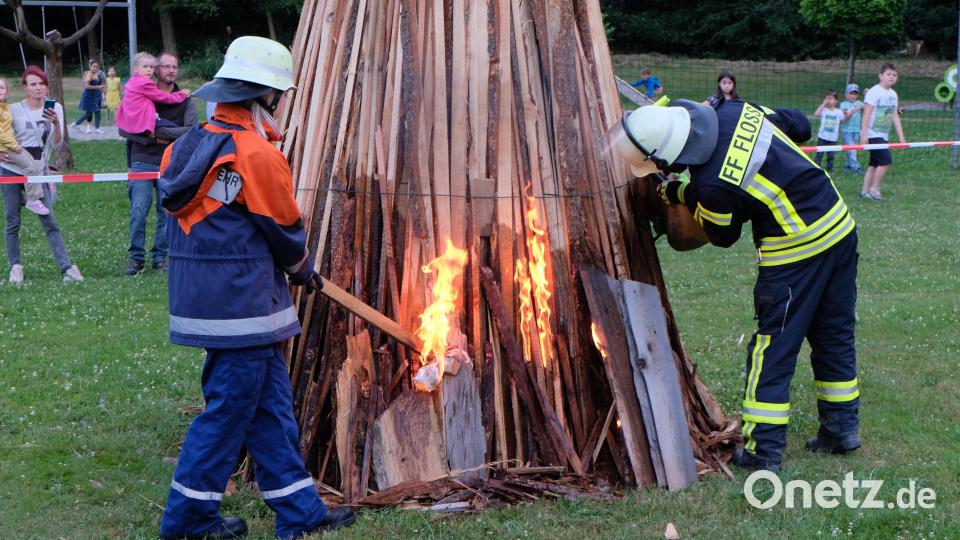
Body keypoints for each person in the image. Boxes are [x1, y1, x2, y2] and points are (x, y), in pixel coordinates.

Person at [156, 36, 356, 540]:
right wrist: (303, 269)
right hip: (242, 305)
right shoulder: (255, 153)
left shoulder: (184, 146)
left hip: (212, 300)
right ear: (267, 95)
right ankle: (188, 522)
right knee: (227, 414)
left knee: (269, 410)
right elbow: (283, 228)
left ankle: (301, 512)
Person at [619, 97, 860, 472]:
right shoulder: (733, 111)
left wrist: (681, 194)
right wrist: (690, 190)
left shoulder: (713, 185)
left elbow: (722, 234)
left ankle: (764, 449)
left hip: (795, 251)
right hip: (838, 225)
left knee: (773, 347)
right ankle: (841, 430)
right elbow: (798, 124)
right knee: (833, 333)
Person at [0, 66, 83, 284]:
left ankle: (67, 267)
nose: (38, 88)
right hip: (11, 170)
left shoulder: (55, 108)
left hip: (38, 172)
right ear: (25, 87)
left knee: (50, 221)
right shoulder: (13, 109)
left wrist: (55, 123)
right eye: (33, 84)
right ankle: (15, 267)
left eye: (42, 83)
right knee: (12, 221)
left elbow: (57, 144)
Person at [119, 52, 196, 276]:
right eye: (165, 66)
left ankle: (160, 257)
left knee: (167, 212)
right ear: (156, 70)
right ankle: (136, 259)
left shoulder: (185, 99)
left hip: (172, 163)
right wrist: (151, 138)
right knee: (138, 210)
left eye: (175, 66)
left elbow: (191, 131)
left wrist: (156, 133)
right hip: (142, 160)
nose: (171, 70)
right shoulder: (142, 92)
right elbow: (126, 129)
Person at [0, 77, 48, 215]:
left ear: (7, 92)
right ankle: (33, 199)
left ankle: (21, 196)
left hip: (10, 145)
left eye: (2, 88)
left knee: (31, 164)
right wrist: (14, 145)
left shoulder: (6, 108)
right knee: (29, 166)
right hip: (8, 147)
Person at [116, 52, 190, 138]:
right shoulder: (145, 84)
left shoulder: (132, 82)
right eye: (145, 66)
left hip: (133, 121)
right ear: (136, 69)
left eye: (151, 67)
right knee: (174, 127)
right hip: (144, 121)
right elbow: (163, 97)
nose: (149, 70)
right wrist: (181, 95)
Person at [860, 63, 905, 200]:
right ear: (881, 76)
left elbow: (895, 116)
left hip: (883, 134)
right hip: (872, 134)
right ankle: (874, 189)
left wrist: (901, 137)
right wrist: (864, 135)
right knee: (885, 161)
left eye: (894, 75)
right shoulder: (874, 92)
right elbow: (866, 114)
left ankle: (864, 192)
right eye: (888, 74)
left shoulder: (893, 94)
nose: (892, 77)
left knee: (874, 164)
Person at [813, 90, 842, 174]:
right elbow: (816, 114)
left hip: (833, 138)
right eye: (827, 98)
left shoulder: (838, 112)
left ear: (836, 101)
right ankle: (816, 168)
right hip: (822, 137)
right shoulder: (824, 110)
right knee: (819, 154)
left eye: (831, 98)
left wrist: (848, 112)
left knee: (831, 155)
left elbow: (845, 118)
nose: (828, 100)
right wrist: (823, 104)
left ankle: (830, 170)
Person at [73, 59, 105, 134]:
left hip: (95, 96)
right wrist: (98, 87)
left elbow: (100, 84)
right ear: (90, 66)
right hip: (89, 97)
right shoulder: (89, 74)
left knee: (96, 112)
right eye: (94, 66)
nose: (95, 68)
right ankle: (76, 124)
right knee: (90, 113)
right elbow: (87, 86)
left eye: (96, 67)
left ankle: (76, 124)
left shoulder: (97, 74)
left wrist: (102, 93)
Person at [838, 83, 864, 173]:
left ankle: (847, 166)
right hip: (847, 131)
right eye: (851, 93)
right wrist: (853, 110)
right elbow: (845, 119)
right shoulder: (843, 105)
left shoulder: (859, 103)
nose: (853, 96)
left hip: (856, 130)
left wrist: (867, 94)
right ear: (846, 94)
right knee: (851, 150)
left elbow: (868, 106)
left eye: (855, 94)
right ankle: (856, 167)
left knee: (852, 149)